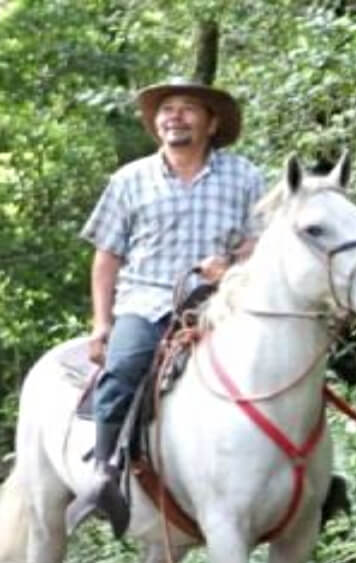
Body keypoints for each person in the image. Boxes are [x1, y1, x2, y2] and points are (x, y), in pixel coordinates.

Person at [79, 78, 266, 515]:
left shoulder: (245, 176)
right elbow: (106, 258)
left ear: (212, 122)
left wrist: (234, 266)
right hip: (147, 300)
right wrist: (101, 323)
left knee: (281, 361)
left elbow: (262, 242)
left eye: (187, 108)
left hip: (223, 302)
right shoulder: (129, 180)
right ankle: (104, 473)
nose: (174, 116)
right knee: (123, 369)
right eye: (166, 110)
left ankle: (307, 470)